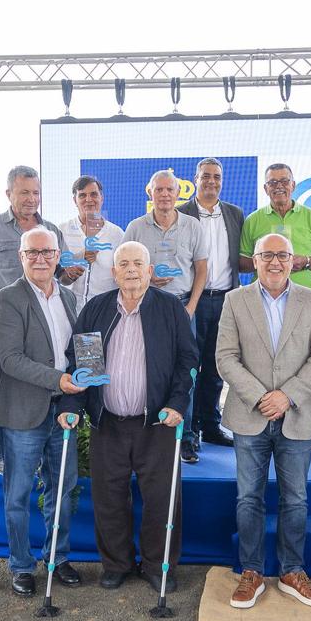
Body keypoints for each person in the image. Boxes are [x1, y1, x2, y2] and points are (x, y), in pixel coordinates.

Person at [57, 240, 198, 592]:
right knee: (109, 496)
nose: (132, 269)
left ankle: (155, 564)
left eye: (139, 262)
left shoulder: (170, 309)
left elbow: (188, 362)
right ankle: (117, 563)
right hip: (109, 422)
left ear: (150, 270)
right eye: (124, 263)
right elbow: (82, 365)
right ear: (114, 271)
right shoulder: (96, 309)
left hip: (158, 423)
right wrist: (72, 407)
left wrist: (178, 404)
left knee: (162, 499)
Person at [216, 233, 311, 609]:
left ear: (294, 260)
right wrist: (261, 397)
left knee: (296, 499)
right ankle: (251, 571)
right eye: (267, 255)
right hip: (249, 414)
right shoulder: (235, 300)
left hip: (296, 413)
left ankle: (291, 572)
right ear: (255, 260)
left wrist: (288, 395)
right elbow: (225, 357)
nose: (275, 262)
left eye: (282, 255)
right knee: (248, 497)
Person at [0, 227, 85, 596]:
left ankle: (57, 558)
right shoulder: (8, 298)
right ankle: (21, 564)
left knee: (63, 488)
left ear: (58, 255)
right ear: (21, 257)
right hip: (23, 413)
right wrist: (61, 379)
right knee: (18, 494)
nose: (41, 259)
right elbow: (11, 360)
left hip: (64, 410)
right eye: (33, 253)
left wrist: (76, 387)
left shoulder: (68, 296)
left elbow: (76, 350)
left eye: (47, 252)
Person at [0, 166, 66, 474]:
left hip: (43, 312)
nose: (31, 199)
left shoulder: (50, 230)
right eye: (24, 192)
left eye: (36, 193)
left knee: (38, 379)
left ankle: (40, 448)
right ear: (9, 194)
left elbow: (57, 273)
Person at [122, 170, 207, 463]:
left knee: (186, 371)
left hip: (184, 307)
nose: (165, 195)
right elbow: (126, 267)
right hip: (148, 308)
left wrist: (192, 307)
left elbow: (202, 269)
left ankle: (186, 438)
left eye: (170, 189)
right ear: (150, 193)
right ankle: (152, 432)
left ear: (178, 192)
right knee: (149, 370)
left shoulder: (193, 226)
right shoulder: (135, 227)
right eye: (159, 190)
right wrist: (145, 279)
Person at [177, 158, 245, 451]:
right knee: (191, 367)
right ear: (196, 179)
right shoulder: (182, 214)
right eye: (206, 176)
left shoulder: (234, 213)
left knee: (217, 368)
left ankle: (210, 425)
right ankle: (189, 435)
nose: (211, 181)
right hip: (194, 301)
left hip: (227, 299)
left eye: (216, 176)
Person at [239, 163, 311, 288]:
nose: (279, 186)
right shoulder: (252, 220)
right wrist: (267, 261)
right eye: (272, 182)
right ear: (266, 189)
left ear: (293, 185)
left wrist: (306, 261)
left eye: (284, 181)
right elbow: (242, 263)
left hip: (303, 296)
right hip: (264, 297)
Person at [58, 174, 124, 304]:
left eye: (94, 194)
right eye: (82, 195)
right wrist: (78, 258)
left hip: (105, 310)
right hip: (70, 309)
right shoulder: (62, 230)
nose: (88, 199)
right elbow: (56, 272)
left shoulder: (117, 234)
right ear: (74, 200)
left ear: (101, 198)